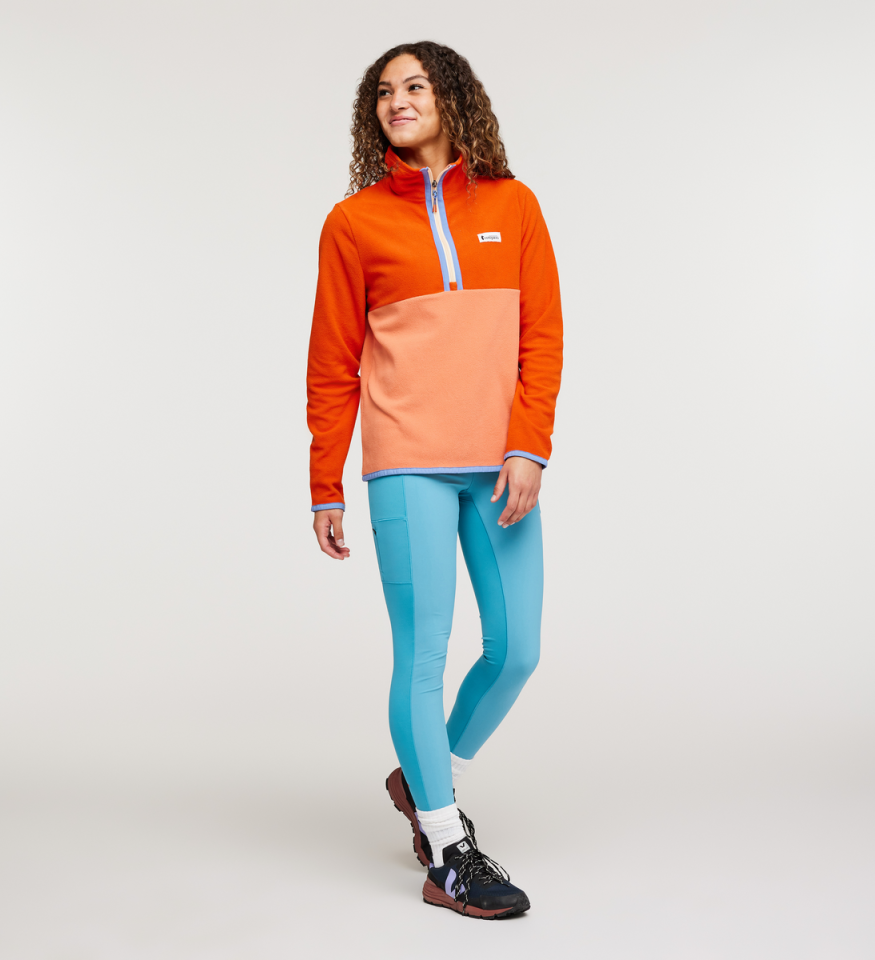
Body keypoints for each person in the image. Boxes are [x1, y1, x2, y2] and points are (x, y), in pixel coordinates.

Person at [306, 41, 562, 919]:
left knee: (516, 650)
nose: (397, 100)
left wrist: (529, 448)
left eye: (415, 85)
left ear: (454, 98)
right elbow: (331, 364)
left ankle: (426, 778)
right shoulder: (353, 224)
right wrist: (325, 484)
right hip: (405, 463)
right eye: (383, 91)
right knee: (421, 653)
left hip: (500, 469)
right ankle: (449, 851)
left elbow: (542, 339)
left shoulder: (515, 206)